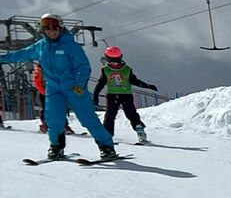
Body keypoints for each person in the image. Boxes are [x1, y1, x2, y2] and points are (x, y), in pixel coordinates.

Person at [0, 13, 115, 161]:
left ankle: (106, 146)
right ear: (43, 30)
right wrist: (2, 58)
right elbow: (20, 55)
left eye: (55, 28)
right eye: (47, 28)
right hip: (53, 88)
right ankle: (56, 147)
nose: (52, 31)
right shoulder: (40, 46)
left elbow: (83, 67)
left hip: (74, 88)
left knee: (87, 118)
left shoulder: (70, 46)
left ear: (60, 28)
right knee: (54, 119)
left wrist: (80, 84)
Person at [93, 46, 157, 143]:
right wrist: (147, 85)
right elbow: (134, 81)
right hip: (126, 95)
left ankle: (107, 137)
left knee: (110, 116)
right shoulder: (126, 69)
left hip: (112, 96)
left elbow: (100, 84)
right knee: (131, 114)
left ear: (107, 58)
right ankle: (140, 131)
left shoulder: (106, 70)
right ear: (120, 57)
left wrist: (95, 96)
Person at [32, 62, 74, 134]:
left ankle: (64, 126)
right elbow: (37, 82)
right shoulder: (40, 69)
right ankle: (45, 125)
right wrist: (44, 92)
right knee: (46, 109)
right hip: (46, 93)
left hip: (57, 92)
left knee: (60, 109)